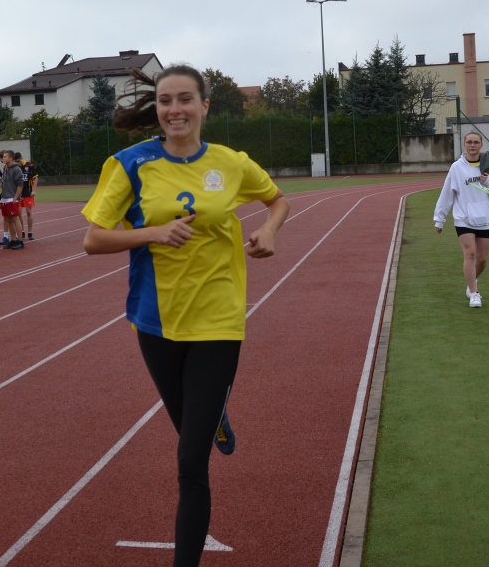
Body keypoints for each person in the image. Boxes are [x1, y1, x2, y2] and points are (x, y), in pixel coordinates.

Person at [82, 64, 289, 567]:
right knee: (191, 431)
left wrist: (269, 230)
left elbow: (277, 200)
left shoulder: (231, 163)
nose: (175, 109)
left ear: (204, 106)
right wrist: (152, 233)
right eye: (165, 101)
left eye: (185, 99)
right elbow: (93, 240)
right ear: (157, 108)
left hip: (219, 317)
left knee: (190, 461)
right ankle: (214, 414)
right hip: (156, 320)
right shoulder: (130, 164)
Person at [432, 130, 489, 308]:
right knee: (470, 253)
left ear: (481, 144)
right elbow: (447, 193)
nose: (472, 145)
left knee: (482, 259)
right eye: (469, 142)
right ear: (464, 144)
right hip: (464, 218)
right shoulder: (456, 168)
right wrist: (439, 219)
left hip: (486, 217)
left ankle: (471, 283)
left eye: (476, 142)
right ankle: (474, 293)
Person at [0, 150, 25, 250]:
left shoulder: (17, 169)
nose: (3, 158)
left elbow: (20, 184)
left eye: (5, 157)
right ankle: (13, 240)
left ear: (11, 158)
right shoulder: (6, 168)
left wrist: (16, 197)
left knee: (15, 218)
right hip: (5, 198)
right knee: (9, 219)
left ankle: (20, 241)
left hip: (12, 198)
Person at [16, 151, 37, 240]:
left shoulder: (29, 166)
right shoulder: (15, 167)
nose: (18, 163)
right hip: (18, 194)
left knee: (28, 212)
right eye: (16, 162)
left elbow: (35, 177)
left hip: (28, 193)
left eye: (18, 161)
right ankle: (22, 231)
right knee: (18, 213)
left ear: (21, 158)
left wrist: (34, 190)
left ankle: (30, 232)